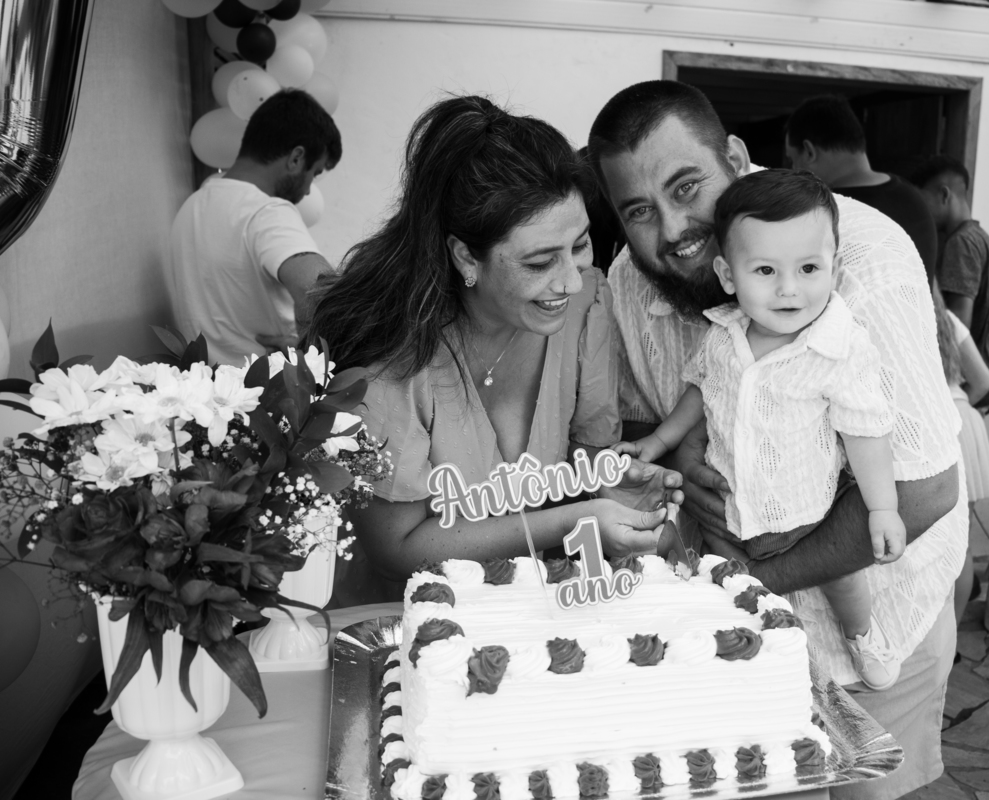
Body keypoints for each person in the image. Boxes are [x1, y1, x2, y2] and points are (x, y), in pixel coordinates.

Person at [589, 80, 966, 800]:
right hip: (733, 645)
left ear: (735, 158)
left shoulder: (866, 259)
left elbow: (923, 488)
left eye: (687, 187)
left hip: (878, 630)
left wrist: (752, 578)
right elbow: (646, 425)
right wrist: (684, 454)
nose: (673, 228)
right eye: (639, 210)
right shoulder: (631, 283)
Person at [306, 96, 679, 606]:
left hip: (529, 615)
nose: (570, 281)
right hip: (411, 622)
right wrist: (574, 520)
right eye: (539, 263)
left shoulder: (585, 305)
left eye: (579, 245)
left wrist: (611, 486)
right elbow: (397, 548)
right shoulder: (390, 360)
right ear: (466, 257)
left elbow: (584, 456)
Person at [617, 170, 906, 690]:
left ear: (835, 269)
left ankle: (862, 633)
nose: (789, 288)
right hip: (729, 510)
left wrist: (882, 508)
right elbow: (699, 391)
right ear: (728, 276)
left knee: (843, 576)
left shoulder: (837, 347)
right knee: (725, 577)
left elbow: (867, 430)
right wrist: (660, 441)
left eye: (809, 268)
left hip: (808, 514)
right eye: (766, 270)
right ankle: (750, 644)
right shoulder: (724, 335)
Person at [167, 89, 341, 366]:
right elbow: (325, 297)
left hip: (203, 384)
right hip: (267, 386)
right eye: (315, 173)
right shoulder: (266, 212)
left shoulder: (191, 206)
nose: (309, 190)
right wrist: (306, 349)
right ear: (296, 158)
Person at [785, 94, 939, 279]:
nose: (793, 170)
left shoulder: (824, 213)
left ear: (809, 152)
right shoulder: (913, 199)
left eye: (792, 160)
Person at [930, 280, 989, 623]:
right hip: (962, 419)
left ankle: (938, 635)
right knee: (962, 542)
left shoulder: (896, 314)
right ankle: (952, 634)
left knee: (930, 544)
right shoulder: (948, 320)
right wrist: (956, 406)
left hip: (935, 427)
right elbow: (983, 380)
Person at [911, 155, 989, 359]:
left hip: (965, 371)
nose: (920, 210)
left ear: (944, 195)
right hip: (984, 362)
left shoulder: (961, 243)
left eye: (922, 200)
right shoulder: (981, 237)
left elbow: (959, 325)